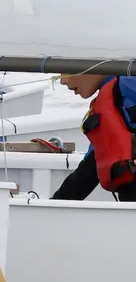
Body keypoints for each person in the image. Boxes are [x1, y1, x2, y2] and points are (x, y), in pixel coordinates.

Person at [55, 74, 136, 202]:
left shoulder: (127, 83)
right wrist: (54, 203)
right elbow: (88, 171)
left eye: (65, 71)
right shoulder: (109, 99)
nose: (62, 81)